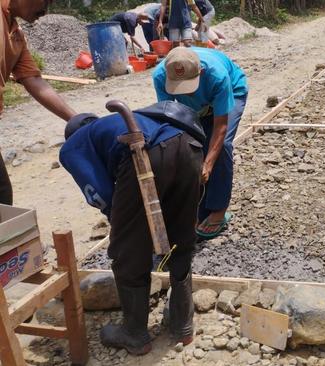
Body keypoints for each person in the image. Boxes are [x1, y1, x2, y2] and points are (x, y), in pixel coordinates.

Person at [59, 102, 203, 355]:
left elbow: (99, 193)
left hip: (147, 154)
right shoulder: (112, 126)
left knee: (127, 252)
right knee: (181, 236)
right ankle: (183, 325)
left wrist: (124, 223)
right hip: (188, 147)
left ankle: (134, 333)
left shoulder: (75, 144)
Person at [152, 47, 248, 240]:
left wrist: (208, 164)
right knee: (192, 145)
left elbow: (220, 127)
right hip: (198, 107)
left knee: (222, 146)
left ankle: (218, 210)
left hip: (232, 93)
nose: (185, 93)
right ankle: (197, 205)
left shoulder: (216, 75)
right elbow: (170, 117)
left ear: (200, 72)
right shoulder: (161, 75)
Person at [0, 0, 77, 205]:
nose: (46, 11)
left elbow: (32, 79)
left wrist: (77, 119)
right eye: (46, 1)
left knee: (2, 197)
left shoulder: (15, 34)